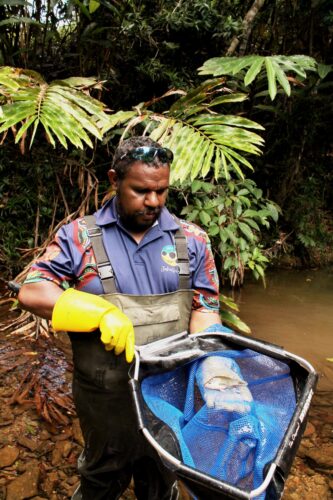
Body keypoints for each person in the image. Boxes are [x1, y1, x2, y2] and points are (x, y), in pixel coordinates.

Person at [18, 135, 222, 500]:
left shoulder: (191, 240)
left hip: (169, 394)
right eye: (141, 190)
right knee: (102, 476)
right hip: (104, 395)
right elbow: (32, 290)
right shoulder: (80, 236)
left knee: (162, 476)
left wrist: (217, 373)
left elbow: (205, 309)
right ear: (114, 180)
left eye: (162, 191)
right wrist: (95, 311)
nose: (154, 201)